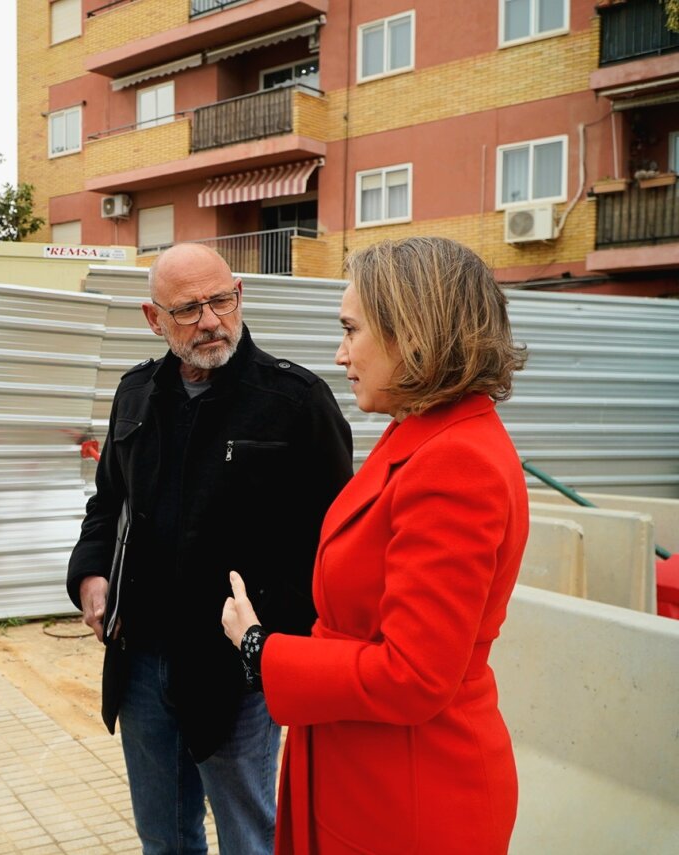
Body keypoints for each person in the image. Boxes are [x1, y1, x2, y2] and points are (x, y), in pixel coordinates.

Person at [222, 236, 530, 855]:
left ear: (411, 333)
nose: (340, 355)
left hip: (408, 795)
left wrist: (261, 648)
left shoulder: (454, 461)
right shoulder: (421, 435)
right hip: (368, 768)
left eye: (351, 330)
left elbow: (414, 675)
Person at [68, 243, 353, 854]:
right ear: (154, 319)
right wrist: (91, 575)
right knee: (164, 836)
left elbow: (335, 542)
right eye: (189, 308)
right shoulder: (136, 394)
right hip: (141, 661)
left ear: (240, 296)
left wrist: (277, 644)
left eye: (221, 300)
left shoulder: (296, 403)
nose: (210, 321)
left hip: (238, 674)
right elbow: (109, 504)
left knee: (249, 835)